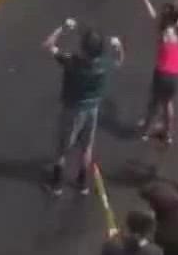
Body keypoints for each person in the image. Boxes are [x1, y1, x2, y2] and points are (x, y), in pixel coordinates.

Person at [44, 20, 124, 196]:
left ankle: (57, 184)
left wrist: (62, 28)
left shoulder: (71, 62)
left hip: (73, 109)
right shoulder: (103, 65)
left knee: (63, 146)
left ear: (83, 48)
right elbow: (119, 61)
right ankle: (82, 183)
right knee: (87, 146)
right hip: (92, 109)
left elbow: (49, 45)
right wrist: (118, 46)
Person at [138, 0, 178, 143]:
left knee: (154, 102)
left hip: (161, 72)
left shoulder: (160, 28)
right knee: (168, 103)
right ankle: (168, 134)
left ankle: (145, 131)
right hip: (175, 73)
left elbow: (147, 2)